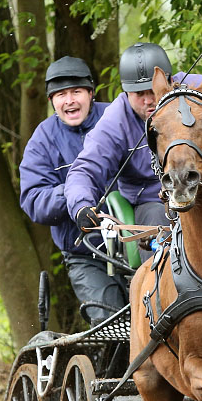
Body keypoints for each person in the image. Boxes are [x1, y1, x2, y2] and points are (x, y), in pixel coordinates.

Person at [64, 42, 202, 260]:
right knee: (158, 230)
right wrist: (81, 205)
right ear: (125, 92)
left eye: (151, 90)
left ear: (169, 81)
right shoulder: (115, 120)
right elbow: (86, 168)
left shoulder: (198, 89)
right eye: (138, 94)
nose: (149, 100)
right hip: (154, 203)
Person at [19, 56, 127, 323]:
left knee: (159, 321)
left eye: (77, 92)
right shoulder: (42, 140)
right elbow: (33, 200)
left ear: (91, 93)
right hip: (86, 253)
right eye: (61, 94)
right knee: (111, 324)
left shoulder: (118, 117)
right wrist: (77, 194)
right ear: (51, 101)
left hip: (138, 243)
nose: (70, 100)